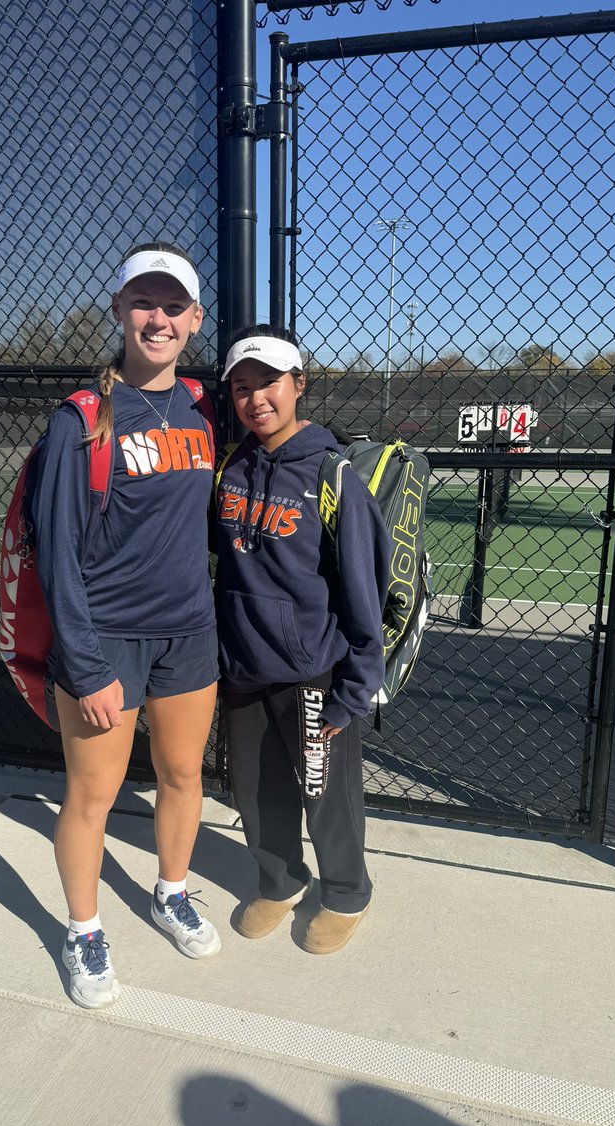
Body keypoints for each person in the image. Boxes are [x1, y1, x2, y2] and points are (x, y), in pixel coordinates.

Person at [31, 242, 221, 1010]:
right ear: (118, 310)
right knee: (93, 797)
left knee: (183, 776)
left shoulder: (206, 411)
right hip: (107, 640)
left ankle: (170, 892)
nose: (158, 317)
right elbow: (58, 557)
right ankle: (82, 933)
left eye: (173, 305)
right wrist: (84, 664)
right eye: (144, 302)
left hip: (191, 635)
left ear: (194, 320)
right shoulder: (82, 417)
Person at [214, 326, 390, 954]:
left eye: (268, 382)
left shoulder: (331, 474)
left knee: (325, 796)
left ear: (298, 384)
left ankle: (346, 892)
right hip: (242, 667)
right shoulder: (232, 465)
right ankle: (281, 879)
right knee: (258, 793)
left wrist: (356, 689)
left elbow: (365, 593)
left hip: (313, 671)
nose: (256, 397)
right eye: (242, 386)